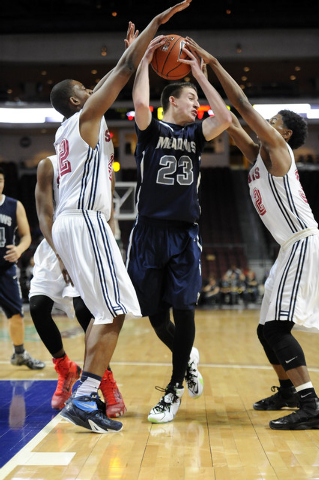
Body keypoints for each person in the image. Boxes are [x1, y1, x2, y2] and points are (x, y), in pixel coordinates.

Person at [49, 0, 193, 434]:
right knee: (115, 311)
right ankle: (86, 396)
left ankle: (87, 395)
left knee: (102, 312)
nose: (93, 86)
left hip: (72, 222)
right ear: (77, 99)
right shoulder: (84, 116)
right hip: (84, 221)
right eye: (85, 85)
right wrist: (154, 28)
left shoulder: (71, 129)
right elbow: (124, 70)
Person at [186, 37, 319, 430]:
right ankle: (288, 390)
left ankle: (312, 405)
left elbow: (242, 105)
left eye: (274, 121)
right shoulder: (258, 155)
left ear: (286, 134)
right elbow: (228, 117)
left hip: (302, 243)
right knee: (266, 330)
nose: (268, 123)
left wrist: (211, 61)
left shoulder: (278, 149)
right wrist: (200, 78)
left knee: (277, 328)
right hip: (288, 247)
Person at [125, 37, 231, 424]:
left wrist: (201, 77)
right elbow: (139, 103)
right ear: (172, 100)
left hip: (185, 233)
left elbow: (225, 119)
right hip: (148, 233)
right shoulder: (151, 130)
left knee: (184, 310)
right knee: (154, 316)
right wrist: (143, 60)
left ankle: (171, 390)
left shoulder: (196, 137)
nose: (195, 105)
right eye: (190, 98)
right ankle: (188, 360)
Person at [29, 154, 126, 417]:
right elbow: (44, 214)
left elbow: (109, 212)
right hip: (55, 242)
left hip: (88, 242)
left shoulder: (101, 163)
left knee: (86, 313)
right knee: (37, 307)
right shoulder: (49, 164)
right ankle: (66, 369)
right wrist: (60, 254)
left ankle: (106, 381)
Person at [0, 167, 45, 371]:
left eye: (0, 180)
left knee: (16, 314)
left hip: (6, 269)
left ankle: (19, 354)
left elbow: (26, 236)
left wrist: (18, 249)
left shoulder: (13, 205)